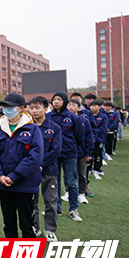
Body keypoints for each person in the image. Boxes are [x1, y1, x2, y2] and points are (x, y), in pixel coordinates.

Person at [0, 93, 43, 245]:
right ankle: (11, 254)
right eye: (4, 107)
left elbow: (35, 156)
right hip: (3, 184)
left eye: (10, 107)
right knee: (9, 222)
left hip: (25, 184)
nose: (6, 110)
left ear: (21, 109)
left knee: (27, 223)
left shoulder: (32, 129)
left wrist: (15, 176)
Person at [28, 97, 62, 242]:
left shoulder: (54, 127)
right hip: (30, 171)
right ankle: (35, 226)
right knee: (31, 201)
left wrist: (41, 163)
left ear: (46, 108)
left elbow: (56, 150)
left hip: (49, 169)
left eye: (37, 107)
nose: (34, 111)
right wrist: (34, 164)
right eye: (32, 107)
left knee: (50, 201)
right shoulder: (27, 127)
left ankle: (50, 230)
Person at [49, 92, 84, 222]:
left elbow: (79, 136)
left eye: (59, 99)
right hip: (53, 154)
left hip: (69, 153)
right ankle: (56, 208)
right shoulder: (49, 117)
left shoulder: (73, 117)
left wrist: (71, 146)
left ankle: (73, 209)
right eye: (54, 100)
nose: (56, 102)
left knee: (71, 182)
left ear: (64, 101)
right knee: (54, 182)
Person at [67, 99, 94, 205]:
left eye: (73, 105)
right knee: (69, 174)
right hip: (68, 152)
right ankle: (68, 192)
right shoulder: (65, 120)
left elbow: (89, 138)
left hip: (81, 152)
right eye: (68, 105)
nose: (70, 107)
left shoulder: (84, 121)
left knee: (82, 174)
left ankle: (81, 193)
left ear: (79, 107)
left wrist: (88, 153)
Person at [89, 100, 108, 180]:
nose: (92, 108)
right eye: (91, 106)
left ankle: (97, 170)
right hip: (89, 139)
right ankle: (88, 169)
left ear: (100, 107)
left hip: (99, 139)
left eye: (95, 106)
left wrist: (94, 137)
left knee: (98, 155)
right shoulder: (88, 116)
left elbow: (102, 129)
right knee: (88, 155)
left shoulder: (103, 117)